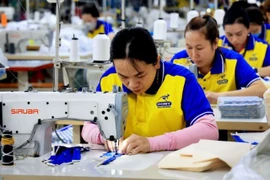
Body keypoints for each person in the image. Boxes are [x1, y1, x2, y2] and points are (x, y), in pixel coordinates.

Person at [82, 27, 218, 155]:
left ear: (157, 62)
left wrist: (152, 143)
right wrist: (104, 136)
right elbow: (88, 127)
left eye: (140, 75)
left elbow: (209, 130)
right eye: (123, 76)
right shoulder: (108, 79)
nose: (132, 84)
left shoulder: (181, 80)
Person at [170, 15, 267, 104]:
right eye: (189, 48)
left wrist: (219, 97)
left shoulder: (232, 61)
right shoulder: (177, 61)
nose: (194, 55)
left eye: (199, 48)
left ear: (215, 43)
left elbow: (260, 89)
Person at [219, 3, 270, 77]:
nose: (234, 39)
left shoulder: (263, 47)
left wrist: (251, 71)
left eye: (239, 34)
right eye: (229, 34)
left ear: (248, 28)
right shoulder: (217, 45)